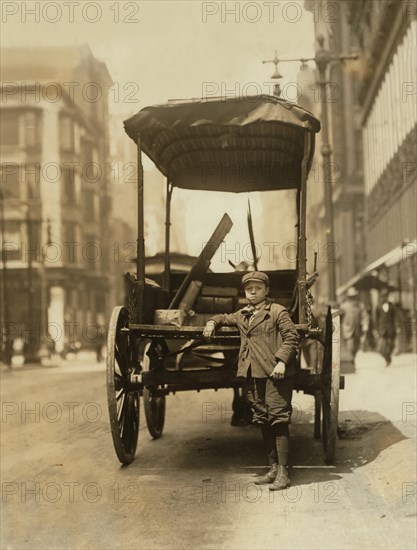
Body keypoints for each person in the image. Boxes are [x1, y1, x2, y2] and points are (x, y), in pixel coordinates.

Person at [203, 271, 299, 490]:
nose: (253, 292)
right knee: (263, 419)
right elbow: (223, 317)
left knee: (278, 419)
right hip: (253, 375)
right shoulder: (243, 314)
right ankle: (273, 467)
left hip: (275, 374)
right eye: (249, 289)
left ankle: (284, 473)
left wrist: (282, 362)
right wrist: (211, 322)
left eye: (257, 288)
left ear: (266, 291)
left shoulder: (276, 312)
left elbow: (292, 337)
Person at [340, 287, 369, 361]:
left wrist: (365, 325)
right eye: (351, 297)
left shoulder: (360, 306)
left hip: (357, 331)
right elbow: (339, 315)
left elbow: (365, 316)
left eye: (354, 297)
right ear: (348, 297)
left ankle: (353, 360)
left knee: (356, 348)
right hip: (348, 330)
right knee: (350, 347)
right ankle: (351, 362)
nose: (353, 299)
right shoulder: (344, 306)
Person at [375, 288, 397, 366]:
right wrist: (376, 329)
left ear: (387, 296)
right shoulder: (378, 306)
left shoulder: (392, 306)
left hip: (391, 328)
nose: (384, 298)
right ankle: (387, 358)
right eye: (383, 296)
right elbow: (376, 319)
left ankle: (389, 356)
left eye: (385, 296)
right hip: (382, 329)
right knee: (381, 348)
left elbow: (395, 317)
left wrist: (397, 327)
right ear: (381, 297)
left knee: (391, 345)